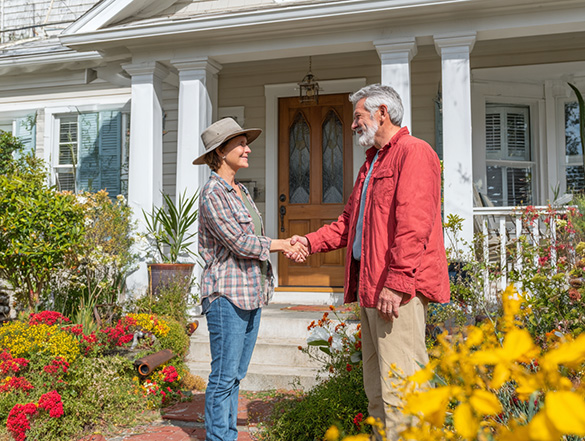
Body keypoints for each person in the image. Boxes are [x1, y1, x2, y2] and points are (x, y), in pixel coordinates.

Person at [291, 84, 450, 440]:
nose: (351, 125)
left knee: (402, 389)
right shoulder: (372, 163)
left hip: (397, 291)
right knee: (376, 390)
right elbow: (349, 225)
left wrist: (396, 282)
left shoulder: (414, 153)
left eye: (358, 116)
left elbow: (414, 224)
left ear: (382, 113)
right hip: (371, 287)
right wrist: (308, 241)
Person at [193, 117, 307, 441]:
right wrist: (283, 245)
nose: (248, 149)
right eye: (240, 143)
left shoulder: (239, 190)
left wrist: (284, 244)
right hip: (226, 296)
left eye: (246, 143)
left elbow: (253, 234)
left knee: (236, 375)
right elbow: (240, 242)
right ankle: (219, 438)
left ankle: (226, 434)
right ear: (221, 151)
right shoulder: (213, 193)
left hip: (250, 294)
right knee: (223, 375)